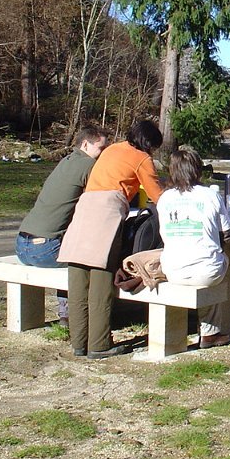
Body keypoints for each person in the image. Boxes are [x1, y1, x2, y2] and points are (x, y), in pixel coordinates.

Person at [57, 120, 164, 359]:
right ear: (148, 144)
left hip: (84, 209)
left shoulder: (113, 149)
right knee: (101, 281)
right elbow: (157, 195)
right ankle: (99, 344)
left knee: (78, 278)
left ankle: (78, 342)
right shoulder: (142, 158)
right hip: (106, 214)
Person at [15, 125, 109, 325]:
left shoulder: (66, 161)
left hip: (22, 244)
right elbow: (99, 199)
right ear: (85, 144)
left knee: (71, 245)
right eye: (101, 148)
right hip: (45, 249)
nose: (103, 154)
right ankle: (71, 314)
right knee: (84, 257)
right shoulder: (88, 165)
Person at [157, 148, 230, 349]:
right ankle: (210, 332)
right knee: (218, 261)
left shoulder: (164, 198)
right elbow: (226, 232)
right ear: (197, 169)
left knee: (209, 264)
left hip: (173, 270)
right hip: (207, 271)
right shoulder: (211, 195)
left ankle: (197, 331)